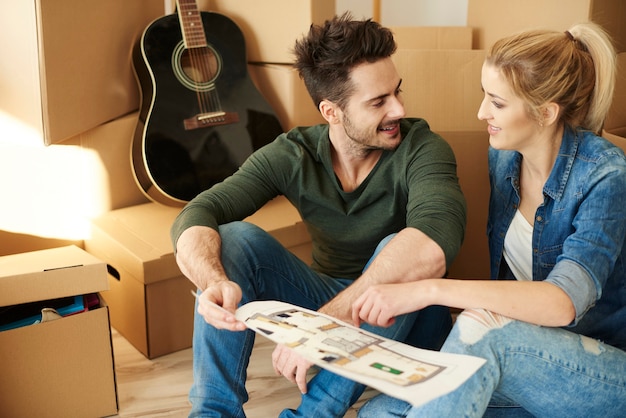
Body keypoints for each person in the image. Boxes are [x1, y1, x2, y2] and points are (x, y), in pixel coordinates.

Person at [170, 12, 467, 418]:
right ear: (331, 112)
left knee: (396, 248)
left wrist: (320, 333)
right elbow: (199, 211)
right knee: (234, 237)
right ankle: (212, 412)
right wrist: (212, 282)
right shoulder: (294, 153)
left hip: (411, 324)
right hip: (327, 298)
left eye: (397, 92)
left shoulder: (424, 148)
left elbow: (432, 249)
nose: (399, 108)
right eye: (379, 102)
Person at [354, 22, 626, 418]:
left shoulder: (605, 177)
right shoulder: (504, 157)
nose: (482, 113)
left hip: (600, 373)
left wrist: (429, 290)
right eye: (485, 96)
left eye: (497, 103)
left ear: (546, 112)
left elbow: (562, 303)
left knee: (482, 325)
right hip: (527, 356)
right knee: (380, 413)